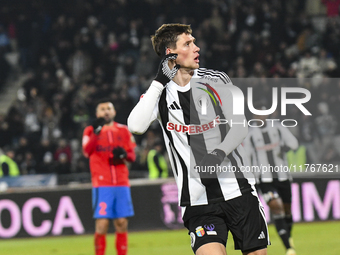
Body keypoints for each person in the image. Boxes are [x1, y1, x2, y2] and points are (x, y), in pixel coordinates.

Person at [128, 24, 269, 255]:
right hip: (197, 200)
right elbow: (135, 126)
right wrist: (158, 81)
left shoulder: (216, 79)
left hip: (238, 190)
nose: (197, 48)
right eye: (188, 44)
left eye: (193, 42)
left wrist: (218, 153)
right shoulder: (159, 94)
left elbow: (239, 126)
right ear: (170, 53)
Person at [82, 99, 136, 255]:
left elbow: (132, 155)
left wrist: (124, 154)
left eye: (109, 108)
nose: (106, 111)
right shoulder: (90, 131)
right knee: (102, 224)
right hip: (102, 183)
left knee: (122, 222)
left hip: (121, 182)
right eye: (103, 109)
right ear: (97, 113)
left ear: (114, 112)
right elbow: (87, 151)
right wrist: (96, 133)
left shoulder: (124, 130)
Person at [243, 110, 298, 255]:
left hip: (283, 176)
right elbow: (247, 157)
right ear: (254, 116)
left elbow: (294, 143)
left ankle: (288, 235)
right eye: (257, 114)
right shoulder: (250, 134)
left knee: (287, 210)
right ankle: (288, 248)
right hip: (264, 179)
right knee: (276, 207)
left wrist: (284, 148)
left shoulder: (278, 127)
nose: (261, 117)